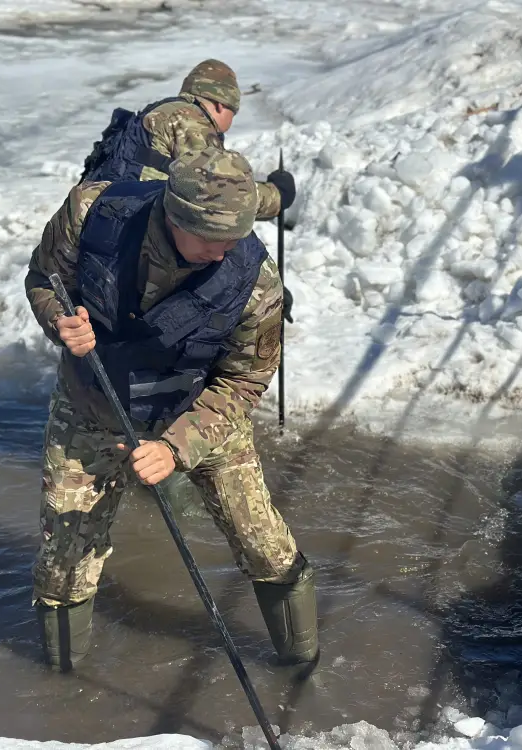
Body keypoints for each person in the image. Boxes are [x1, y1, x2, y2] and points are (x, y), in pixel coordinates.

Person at [23, 146, 318, 673]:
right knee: (64, 567)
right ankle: (62, 690)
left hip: (194, 413)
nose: (224, 252)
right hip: (93, 407)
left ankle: (302, 668)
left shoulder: (257, 284)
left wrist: (175, 447)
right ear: (173, 213)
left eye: (236, 238)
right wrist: (57, 322)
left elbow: (244, 380)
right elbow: (45, 277)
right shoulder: (92, 213)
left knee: (267, 548)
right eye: (211, 238)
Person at [79, 58, 295, 222]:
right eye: (233, 112)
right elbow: (217, 195)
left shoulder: (162, 112)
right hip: (135, 228)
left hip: (109, 218)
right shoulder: (190, 120)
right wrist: (276, 196)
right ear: (221, 104)